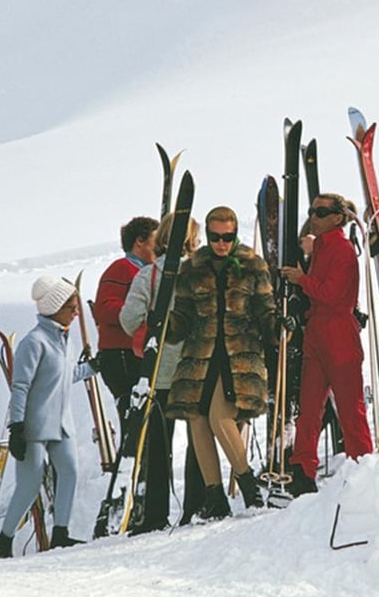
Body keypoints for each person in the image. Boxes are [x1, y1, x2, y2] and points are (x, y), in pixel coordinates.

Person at [166, 206, 275, 519]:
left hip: (239, 354)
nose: (221, 243)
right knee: (197, 418)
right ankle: (215, 497)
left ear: (235, 234)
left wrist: (277, 328)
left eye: (227, 237)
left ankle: (249, 485)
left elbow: (265, 309)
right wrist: (167, 325)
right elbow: (183, 318)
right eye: (215, 237)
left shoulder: (252, 264)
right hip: (201, 354)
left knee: (219, 417)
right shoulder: (192, 268)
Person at [0, 277, 98, 557]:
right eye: (71, 307)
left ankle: (61, 533)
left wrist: (94, 367)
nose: (77, 313)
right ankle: (3, 539)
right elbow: (21, 386)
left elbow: (65, 377)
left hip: (62, 425)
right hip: (34, 427)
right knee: (29, 485)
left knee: (70, 472)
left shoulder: (65, 341)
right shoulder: (34, 342)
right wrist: (16, 426)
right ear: (55, 307)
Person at [280, 194, 371, 497]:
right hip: (319, 330)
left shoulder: (343, 250)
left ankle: (364, 465)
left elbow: (331, 294)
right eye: (312, 211)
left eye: (320, 212)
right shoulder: (322, 247)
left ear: (337, 217)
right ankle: (303, 469)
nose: (314, 217)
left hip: (337, 330)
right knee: (309, 406)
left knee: (349, 407)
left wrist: (301, 280)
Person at [119, 215, 206, 531]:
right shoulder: (201, 272)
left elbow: (128, 320)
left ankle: (155, 514)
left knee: (158, 445)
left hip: (159, 371)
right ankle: (197, 506)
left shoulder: (148, 276)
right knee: (199, 441)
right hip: (197, 367)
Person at [93, 216, 159, 446]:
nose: (159, 247)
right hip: (121, 355)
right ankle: (133, 473)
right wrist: (137, 313)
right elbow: (103, 309)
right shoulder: (122, 268)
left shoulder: (148, 272)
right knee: (134, 421)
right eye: (155, 240)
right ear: (139, 241)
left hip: (134, 353)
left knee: (145, 424)